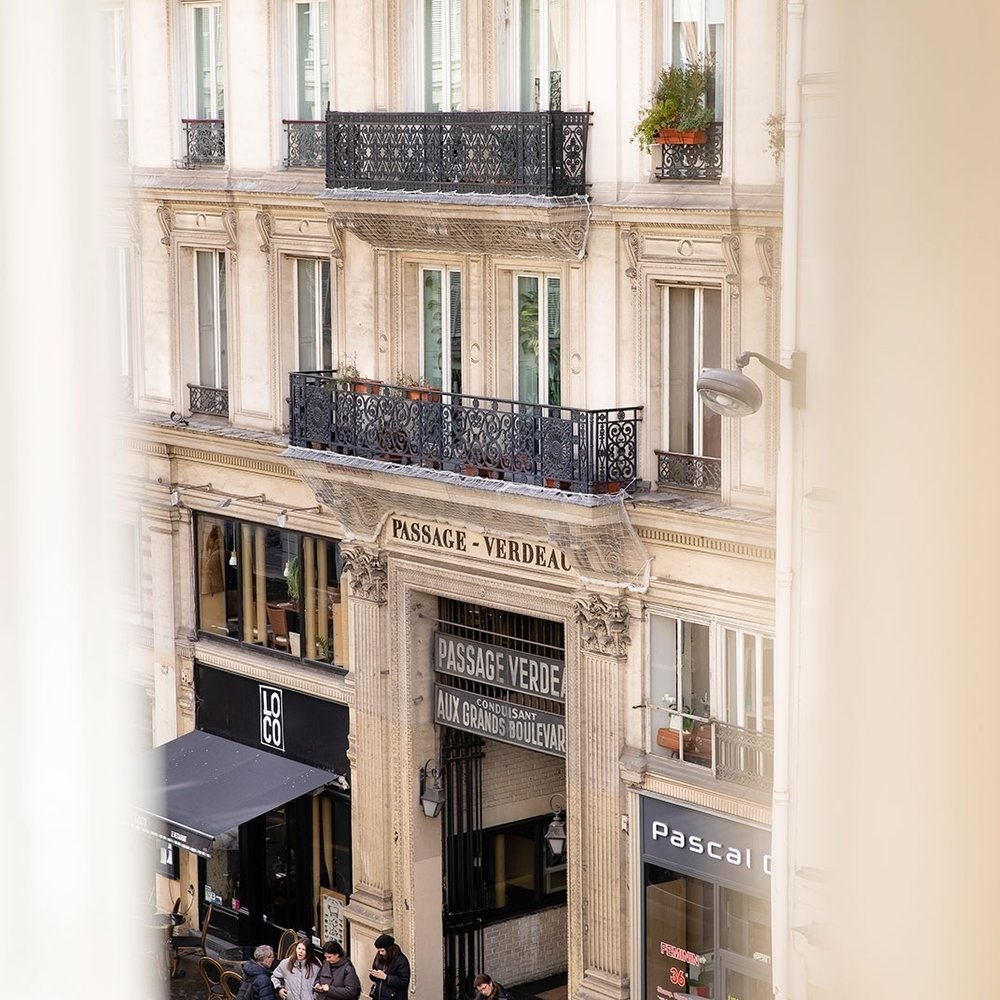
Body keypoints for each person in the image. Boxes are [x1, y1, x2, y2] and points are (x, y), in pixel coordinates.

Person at [273, 934, 322, 1000]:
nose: (300, 951)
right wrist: (279, 989)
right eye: (299, 948)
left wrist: (315, 997)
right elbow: (275, 977)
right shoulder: (285, 963)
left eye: (303, 949)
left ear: (308, 952)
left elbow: (320, 984)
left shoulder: (315, 968)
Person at [368, 934, 410, 1000]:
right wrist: (373, 974)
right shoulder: (379, 957)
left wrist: (386, 977)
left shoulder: (401, 961)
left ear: (389, 949)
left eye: (382, 951)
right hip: (379, 995)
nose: (380, 953)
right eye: (379, 951)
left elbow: (404, 982)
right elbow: (374, 975)